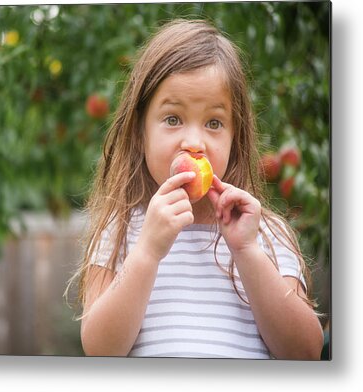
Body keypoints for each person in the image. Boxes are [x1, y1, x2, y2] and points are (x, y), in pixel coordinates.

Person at [66, 19, 324, 359]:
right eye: (173, 119)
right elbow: (100, 351)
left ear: (236, 137)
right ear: (139, 132)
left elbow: (305, 352)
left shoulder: (265, 234)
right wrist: (147, 252)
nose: (193, 143)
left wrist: (247, 251)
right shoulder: (121, 232)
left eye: (214, 123)